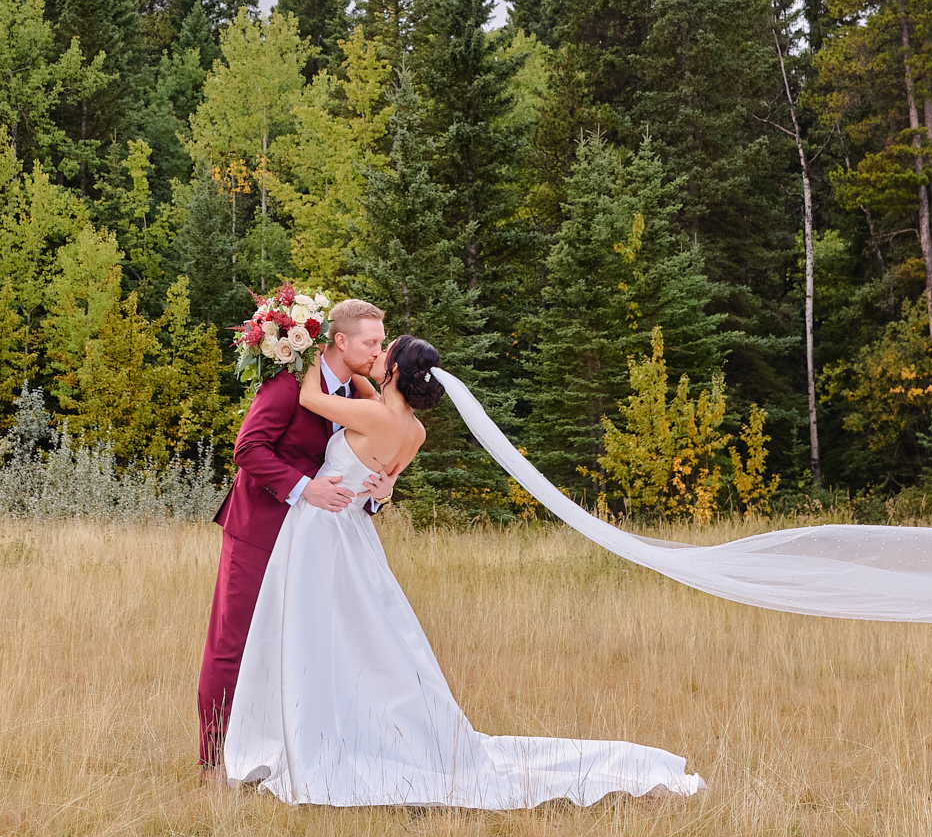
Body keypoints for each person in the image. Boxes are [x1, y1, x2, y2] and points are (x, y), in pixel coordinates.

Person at [219, 333, 703, 808]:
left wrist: (301, 344)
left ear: (393, 372)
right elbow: (384, 484)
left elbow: (309, 395)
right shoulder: (413, 430)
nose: (377, 353)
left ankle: (314, 732)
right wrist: (376, 397)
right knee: (364, 639)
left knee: (318, 635)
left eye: (384, 352)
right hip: (355, 536)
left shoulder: (369, 413)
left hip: (322, 533)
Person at [196, 298, 396, 768]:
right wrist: (304, 489)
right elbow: (247, 448)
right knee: (234, 645)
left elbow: (349, 469)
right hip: (259, 533)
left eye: (381, 342)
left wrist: (377, 493)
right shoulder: (287, 384)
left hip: (313, 545)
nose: (377, 351)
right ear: (340, 340)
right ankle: (212, 762)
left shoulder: (355, 397)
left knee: (299, 647)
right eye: (371, 342)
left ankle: (277, 753)